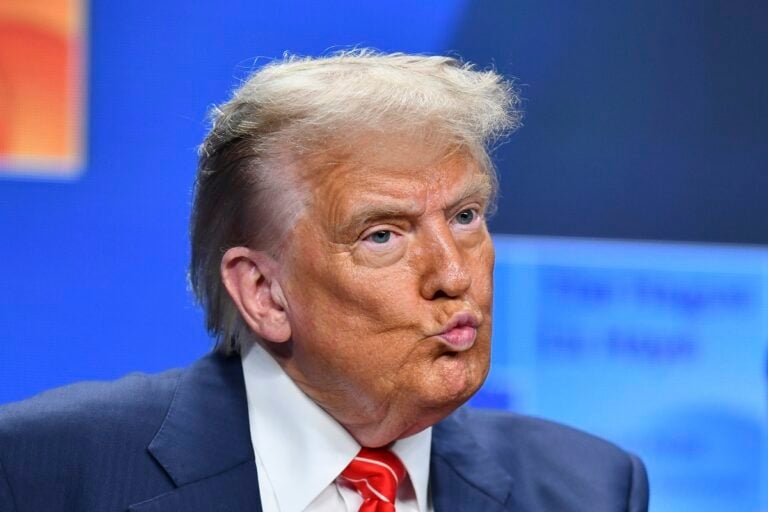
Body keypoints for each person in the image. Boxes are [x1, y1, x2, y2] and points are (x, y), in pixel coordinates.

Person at [0, 50, 649, 511]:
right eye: (382, 235)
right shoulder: (43, 472)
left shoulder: (590, 489)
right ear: (263, 292)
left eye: (465, 217)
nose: (454, 274)